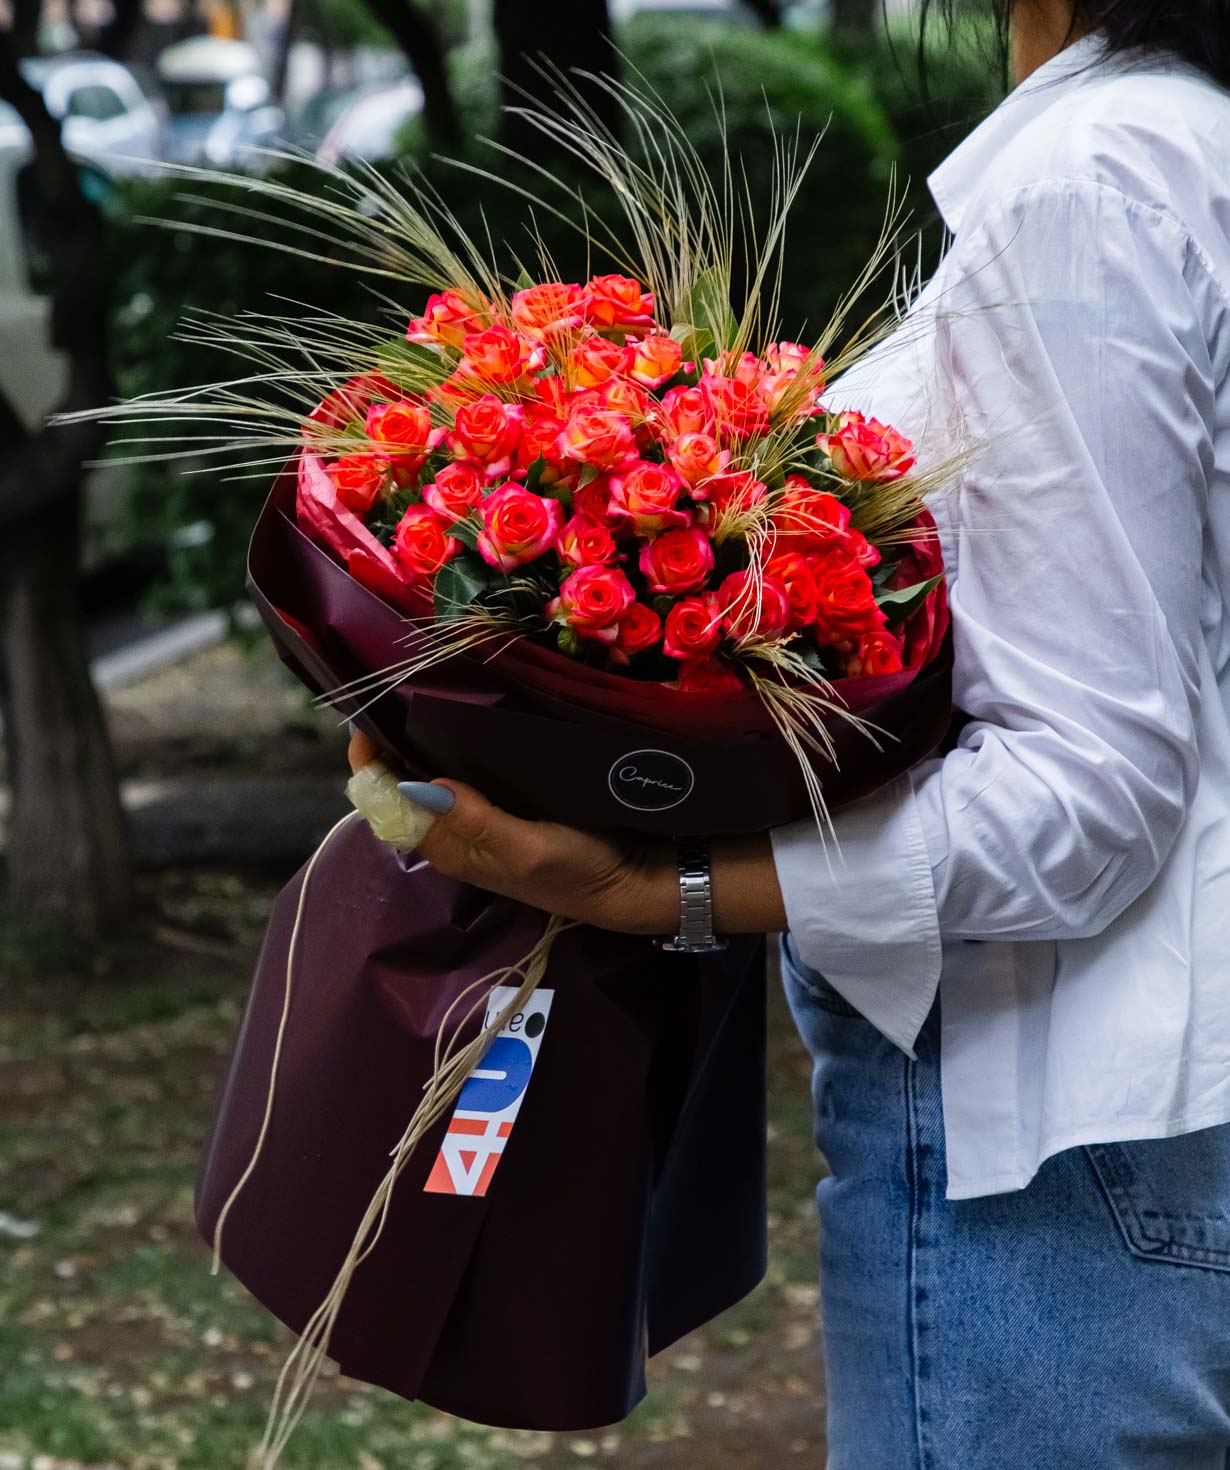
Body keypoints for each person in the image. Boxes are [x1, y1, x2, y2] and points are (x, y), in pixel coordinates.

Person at [348, 1, 1230, 1461]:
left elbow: (1087, 798)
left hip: (1061, 1172)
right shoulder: (1183, 148)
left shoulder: (1094, 176)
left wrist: (654, 887)